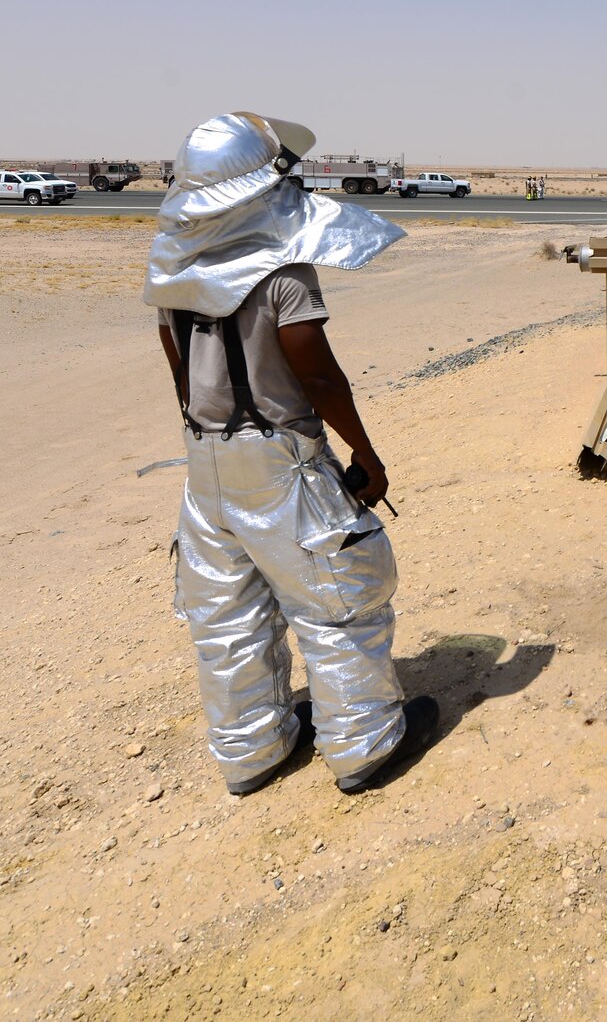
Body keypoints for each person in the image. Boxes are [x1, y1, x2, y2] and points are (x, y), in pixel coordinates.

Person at [145, 112, 438, 797]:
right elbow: (317, 375)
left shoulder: (172, 272)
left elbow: (179, 373)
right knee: (338, 602)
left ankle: (253, 751)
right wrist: (363, 450)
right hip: (282, 463)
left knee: (227, 616)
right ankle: (364, 746)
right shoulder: (285, 274)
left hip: (206, 464)